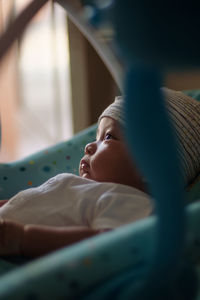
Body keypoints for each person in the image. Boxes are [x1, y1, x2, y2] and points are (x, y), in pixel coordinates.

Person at [0, 87, 199, 258]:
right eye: (96, 137)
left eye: (108, 137)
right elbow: (23, 201)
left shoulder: (129, 201)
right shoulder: (77, 185)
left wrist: (24, 238)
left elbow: (104, 246)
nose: (88, 146)